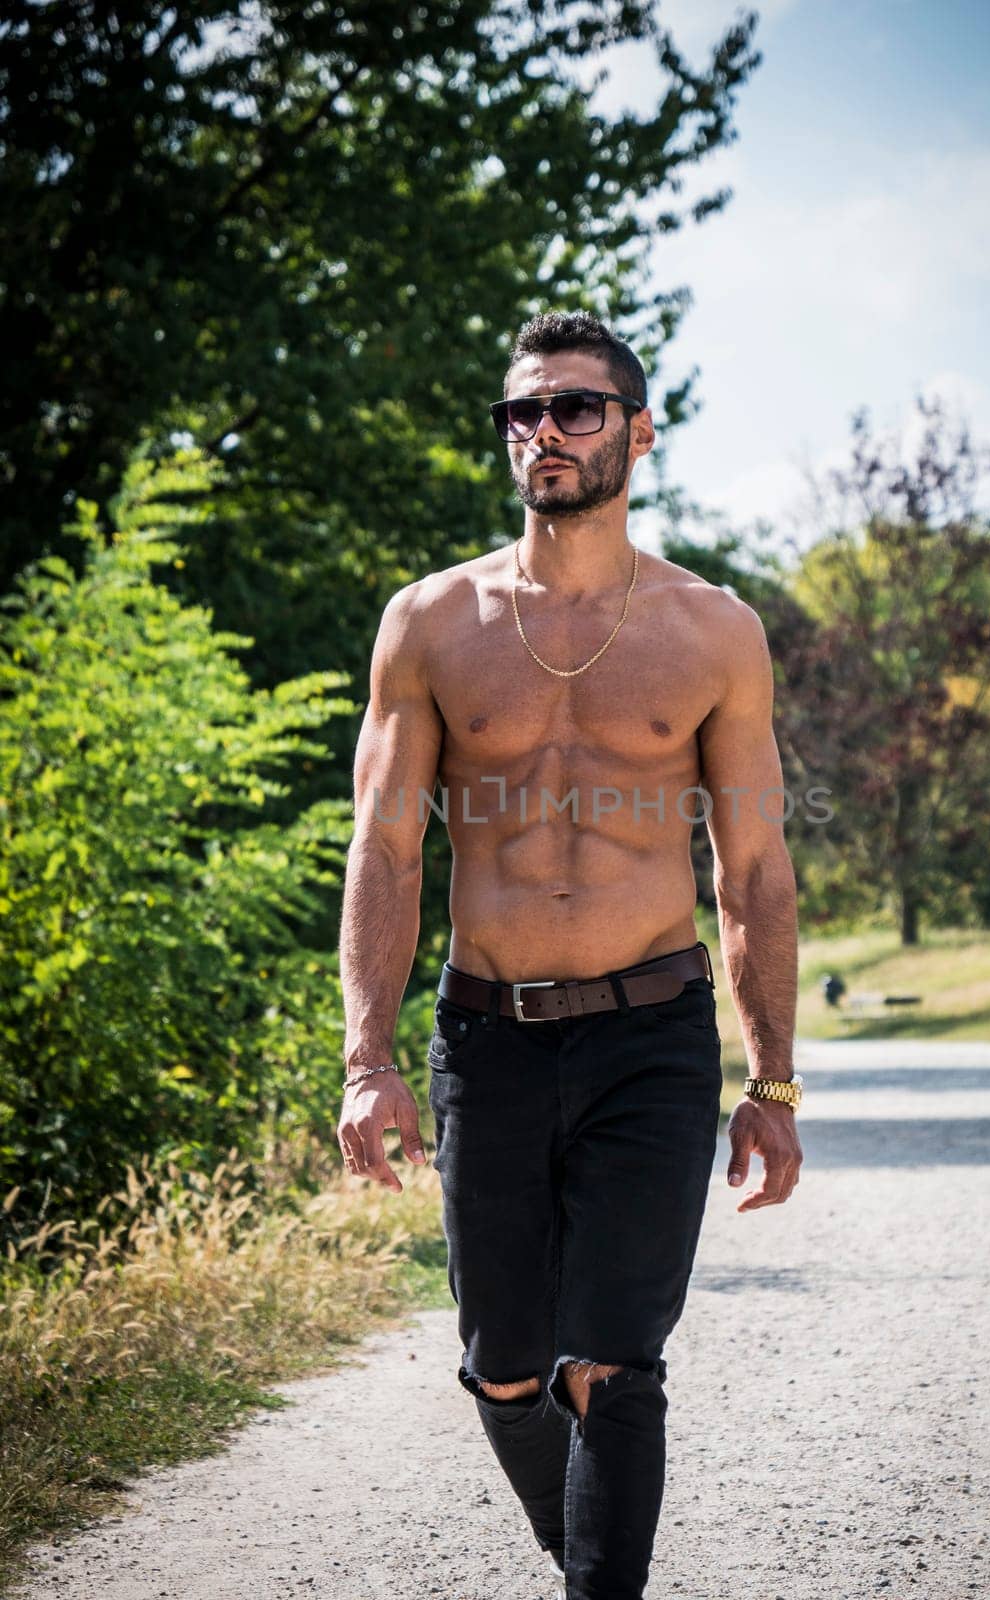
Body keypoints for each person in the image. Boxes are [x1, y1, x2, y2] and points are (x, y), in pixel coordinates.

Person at [336, 311, 803, 1600]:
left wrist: (772, 1082)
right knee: (502, 1368)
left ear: (639, 435)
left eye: (575, 410)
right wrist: (364, 1059)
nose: (542, 434)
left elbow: (754, 869)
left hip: (651, 1032)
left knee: (612, 1361)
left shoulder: (715, 633)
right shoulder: (431, 624)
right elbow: (382, 853)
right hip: (488, 1031)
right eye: (521, 413)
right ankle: (591, 1540)